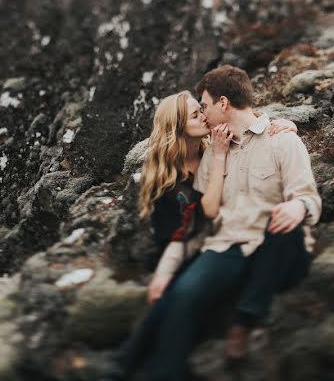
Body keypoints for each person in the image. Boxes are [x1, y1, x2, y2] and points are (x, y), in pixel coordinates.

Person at [138, 65, 321, 380]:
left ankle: (243, 322)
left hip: (274, 248)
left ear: (223, 103)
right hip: (225, 248)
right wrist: (164, 274)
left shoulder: (282, 141)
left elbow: (309, 197)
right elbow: (197, 226)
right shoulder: (213, 153)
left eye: (205, 105)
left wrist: (298, 206)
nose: (204, 113)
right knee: (183, 295)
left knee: (282, 223)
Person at [104, 90, 297, 380]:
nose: (204, 116)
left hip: (217, 244)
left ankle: (132, 365)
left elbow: (253, 130)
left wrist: (286, 125)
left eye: (201, 109)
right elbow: (182, 231)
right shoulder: (167, 177)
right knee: (173, 299)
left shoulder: (215, 147)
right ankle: (129, 366)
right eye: (196, 115)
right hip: (180, 249)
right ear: (178, 126)